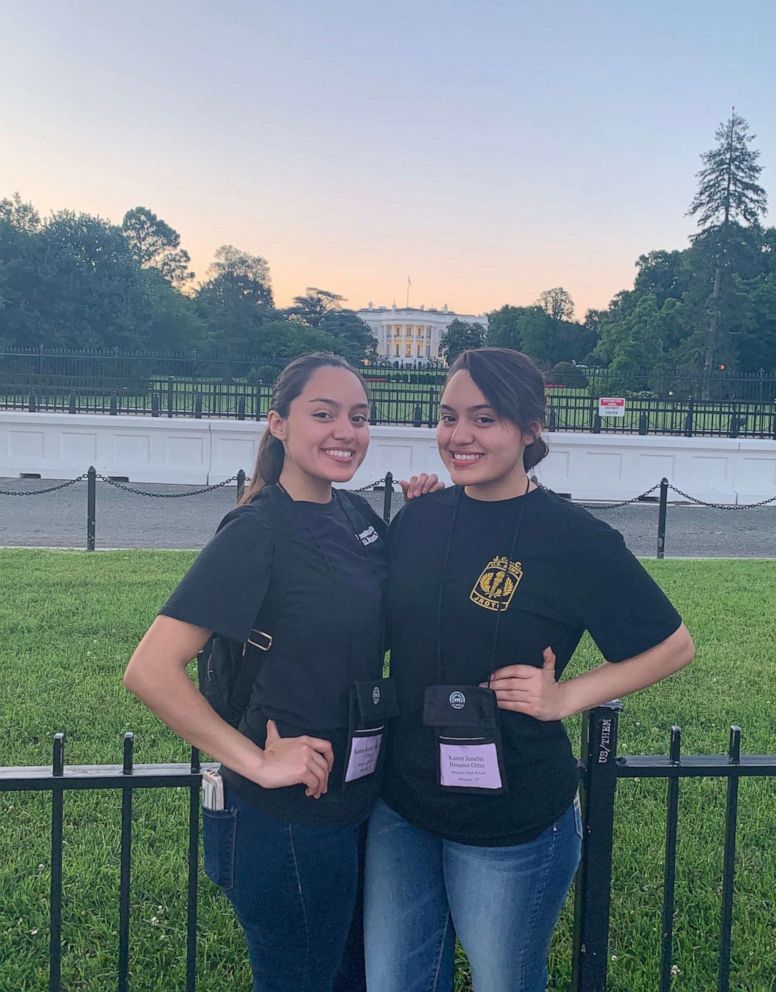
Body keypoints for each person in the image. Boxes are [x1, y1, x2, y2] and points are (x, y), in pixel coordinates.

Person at [365, 347, 695, 992]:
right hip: (401, 803)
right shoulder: (422, 516)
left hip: (509, 813)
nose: (459, 437)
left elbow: (673, 645)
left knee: (502, 981)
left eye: (484, 419)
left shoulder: (573, 538)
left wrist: (565, 696)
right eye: (448, 417)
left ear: (531, 427)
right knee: (394, 981)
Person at [125, 352, 400, 992]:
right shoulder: (257, 530)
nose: (346, 431)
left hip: (358, 802)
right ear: (278, 424)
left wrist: (423, 511)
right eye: (323, 414)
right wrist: (252, 760)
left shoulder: (358, 518)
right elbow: (151, 669)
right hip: (285, 822)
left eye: (359, 417)